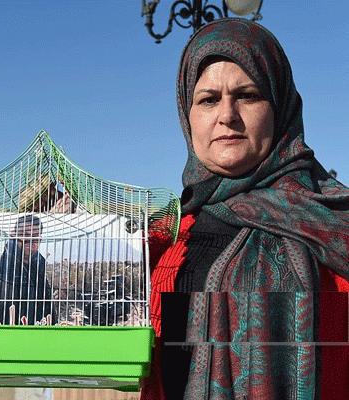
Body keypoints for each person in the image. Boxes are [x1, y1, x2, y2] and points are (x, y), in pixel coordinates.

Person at [141, 19, 349, 399]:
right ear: (187, 116)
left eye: (248, 95)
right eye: (208, 99)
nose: (227, 115)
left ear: (280, 106)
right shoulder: (163, 239)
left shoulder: (334, 226)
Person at [0, 214, 57, 325]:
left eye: (35, 236)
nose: (29, 240)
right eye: (24, 234)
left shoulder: (39, 274)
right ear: (13, 234)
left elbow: (49, 314)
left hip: (31, 335)